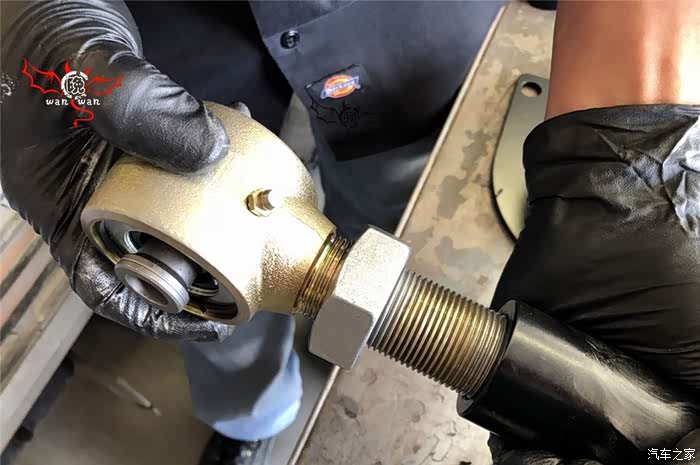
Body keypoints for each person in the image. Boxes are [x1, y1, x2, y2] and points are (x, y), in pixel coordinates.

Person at [0, 1, 698, 465]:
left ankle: (316, 340)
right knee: (201, 287)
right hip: (166, 40)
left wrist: (634, 153)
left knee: (394, 203)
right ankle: (250, 420)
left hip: (406, 37)